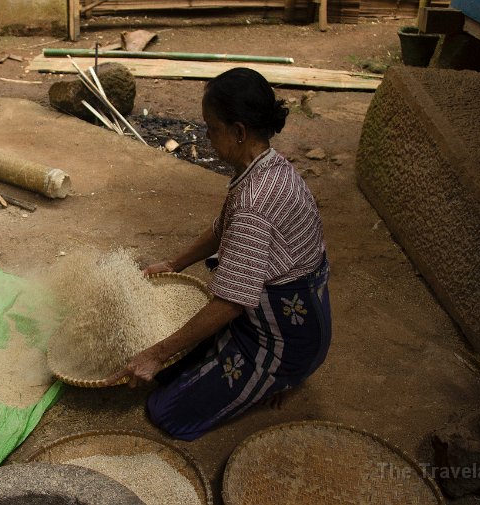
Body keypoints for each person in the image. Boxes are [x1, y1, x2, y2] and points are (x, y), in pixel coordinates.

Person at [104, 68, 332, 441]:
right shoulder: (268, 167)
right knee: (172, 370)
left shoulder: (256, 204)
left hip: (286, 340)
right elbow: (220, 228)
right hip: (281, 316)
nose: (207, 136)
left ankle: (284, 376)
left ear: (239, 132)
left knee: (166, 411)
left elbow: (229, 303)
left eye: (211, 127)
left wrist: (155, 353)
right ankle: (264, 371)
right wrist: (174, 264)